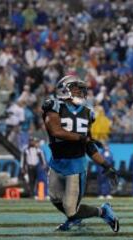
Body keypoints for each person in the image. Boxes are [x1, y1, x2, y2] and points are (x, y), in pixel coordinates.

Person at [42, 75, 119, 232]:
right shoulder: (54, 106)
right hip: (57, 163)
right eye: (76, 89)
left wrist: (106, 165)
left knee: (71, 209)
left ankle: (103, 211)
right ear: (64, 90)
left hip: (76, 165)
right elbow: (56, 131)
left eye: (81, 90)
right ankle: (75, 219)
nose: (80, 93)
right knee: (55, 199)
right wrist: (81, 138)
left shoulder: (88, 113)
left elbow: (88, 145)